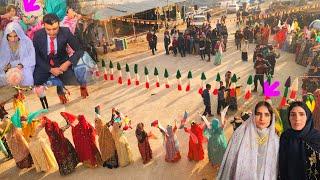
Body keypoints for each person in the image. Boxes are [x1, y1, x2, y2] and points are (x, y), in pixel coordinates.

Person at [217, 101, 279, 179]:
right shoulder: (240, 135)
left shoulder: (275, 141)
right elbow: (230, 165)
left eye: (266, 115)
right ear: (253, 115)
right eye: (258, 114)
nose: (262, 118)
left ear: (271, 118)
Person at [32, 13, 85, 103]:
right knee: (36, 81)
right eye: (48, 29)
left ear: (59, 25)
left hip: (62, 63)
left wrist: (68, 63)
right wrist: (50, 69)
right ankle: (59, 91)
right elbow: (35, 56)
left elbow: (80, 50)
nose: (52, 32)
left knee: (74, 80)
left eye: (55, 29)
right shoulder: (37, 35)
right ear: (43, 25)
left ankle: (78, 87)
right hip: (45, 64)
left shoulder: (66, 32)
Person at [279, 101, 320, 179]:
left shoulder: (317, 138)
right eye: (293, 115)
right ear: (288, 118)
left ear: (307, 117)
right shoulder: (285, 137)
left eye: (301, 114)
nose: (297, 119)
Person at [0, 22, 35, 86]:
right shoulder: (5, 43)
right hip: (10, 66)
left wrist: (21, 65)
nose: (13, 39)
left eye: (15, 36)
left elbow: (31, 57)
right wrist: (7, 67)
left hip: (24, 65)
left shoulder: (26, 41)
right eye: (10, 36)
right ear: (7, 36)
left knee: (27, 76)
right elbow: (3, 59)